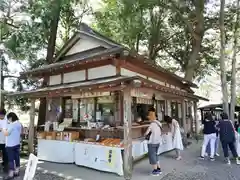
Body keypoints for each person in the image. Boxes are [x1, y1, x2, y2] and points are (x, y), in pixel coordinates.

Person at [1, 112, 22, 179]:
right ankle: (17, 170)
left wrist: (2, 129)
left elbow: (6, 134)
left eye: (8, 119)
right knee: (17, 158)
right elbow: (21, 132)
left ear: (10, 118)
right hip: (17, 144)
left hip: (10, 145)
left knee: (10, 159)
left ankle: (11, 173)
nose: (8, 120)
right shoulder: (19, 124)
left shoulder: (12, 125)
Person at [144, 107, 162, 176]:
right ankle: (159, 169)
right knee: (156, 155)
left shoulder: (151, 124)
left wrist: (145, 134)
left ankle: (155, 171)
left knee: (152, 156)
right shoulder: (159, 123)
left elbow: (146, 133)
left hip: (152, 142)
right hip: (158, 142)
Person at [0, 108, 8, 172]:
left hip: (5, 141)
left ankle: (5, 166)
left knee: (5, 154)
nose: (1, 116)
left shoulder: (7, 121)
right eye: (0, 115)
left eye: (2, 115)